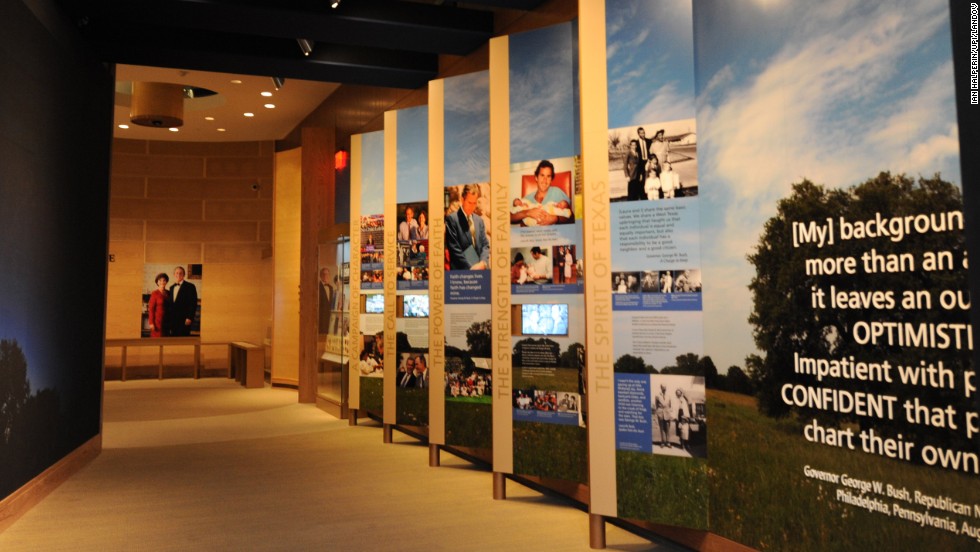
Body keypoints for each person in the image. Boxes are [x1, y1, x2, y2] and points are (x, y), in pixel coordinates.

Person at [510, 160, 573, 225]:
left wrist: (556, 218)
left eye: (548, 176)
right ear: (536, 177)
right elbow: (510, 217)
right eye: (542, 175)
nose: (545, 180)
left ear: (551, 180)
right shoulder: (527, 199)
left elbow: (571, 217)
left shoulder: (557, 192)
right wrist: (527, 213)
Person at [445, 184, 490, 270]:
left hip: (481, 272)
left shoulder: (479, 221)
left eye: (474, 203)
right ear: (462, 200)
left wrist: (483, 263)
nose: (472, 207)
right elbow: (455, 250)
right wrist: (473, 267)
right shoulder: (452, 219)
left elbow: (485, 245)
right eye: (469, 202)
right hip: (462, 274)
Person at [167, 266, 197, 336]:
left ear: (184, 275)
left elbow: (193, 303)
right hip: (173, 320)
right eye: (177, 273)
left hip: (184, 319)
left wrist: (189, 317)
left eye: (181, 273)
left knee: (184, 339)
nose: (178, 275)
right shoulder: (171, 287)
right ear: (174, 275)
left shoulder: (190, 286)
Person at [147, 273, 169, 338]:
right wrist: (151, 323)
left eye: (164, 280)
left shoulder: (169, 293)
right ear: (157, 282)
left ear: (166, 282)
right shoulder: (154, 293)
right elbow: (151, 309)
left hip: (167, 322)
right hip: (157, 322)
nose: (162, 282)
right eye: (160, 280)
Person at [318, 267, 335, 333]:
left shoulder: (331, 288)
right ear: (320, 275)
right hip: (321, 317)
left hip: (329, 317)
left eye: (327, 274)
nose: (325, 276)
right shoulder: (317, 287)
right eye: (324, 274)